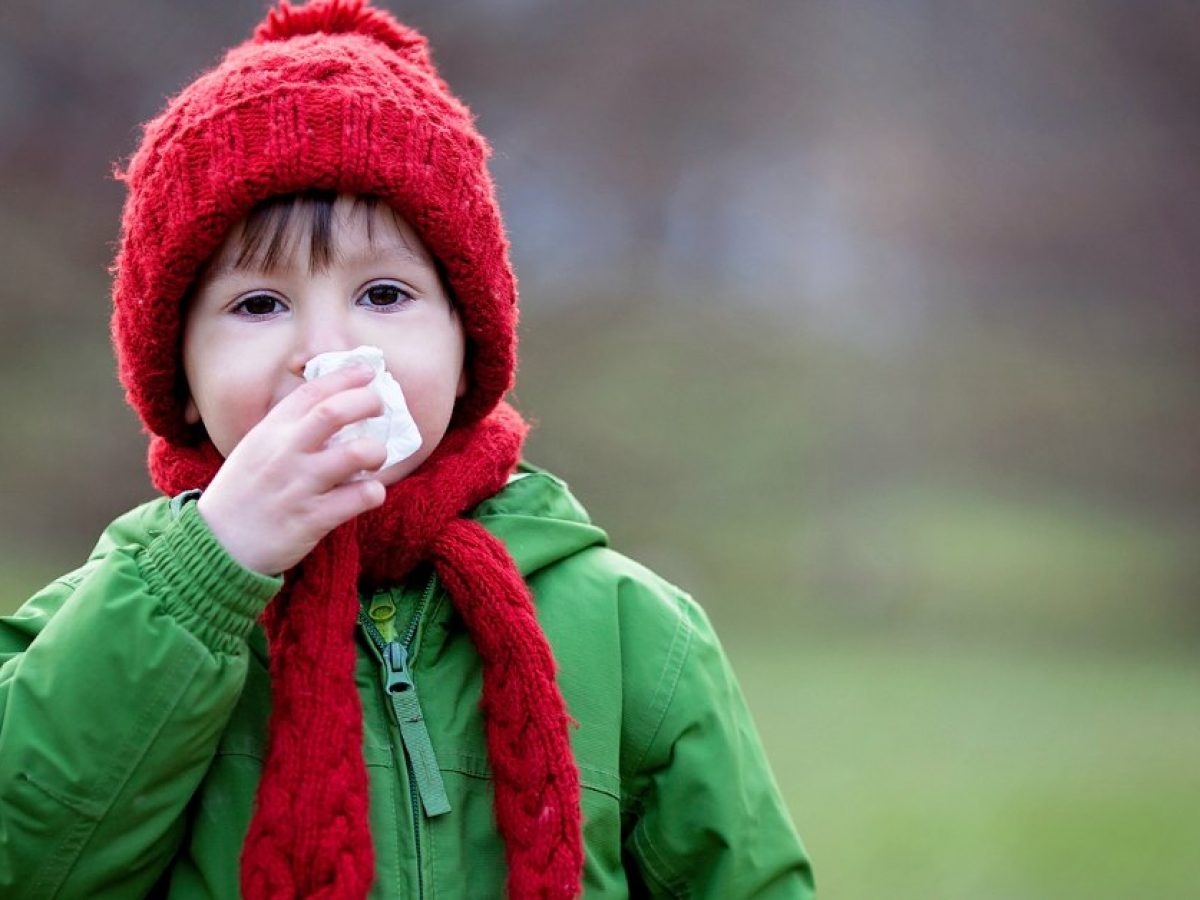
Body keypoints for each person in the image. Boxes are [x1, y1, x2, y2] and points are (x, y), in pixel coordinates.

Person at [0, 1, 813, 897]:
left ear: (470, 347)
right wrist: (208, 575)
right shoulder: (110, 618)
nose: (325, 350)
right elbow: (28, 857)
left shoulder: (630, 630)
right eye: (259, 305)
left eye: (384, 294)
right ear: (179, 379)